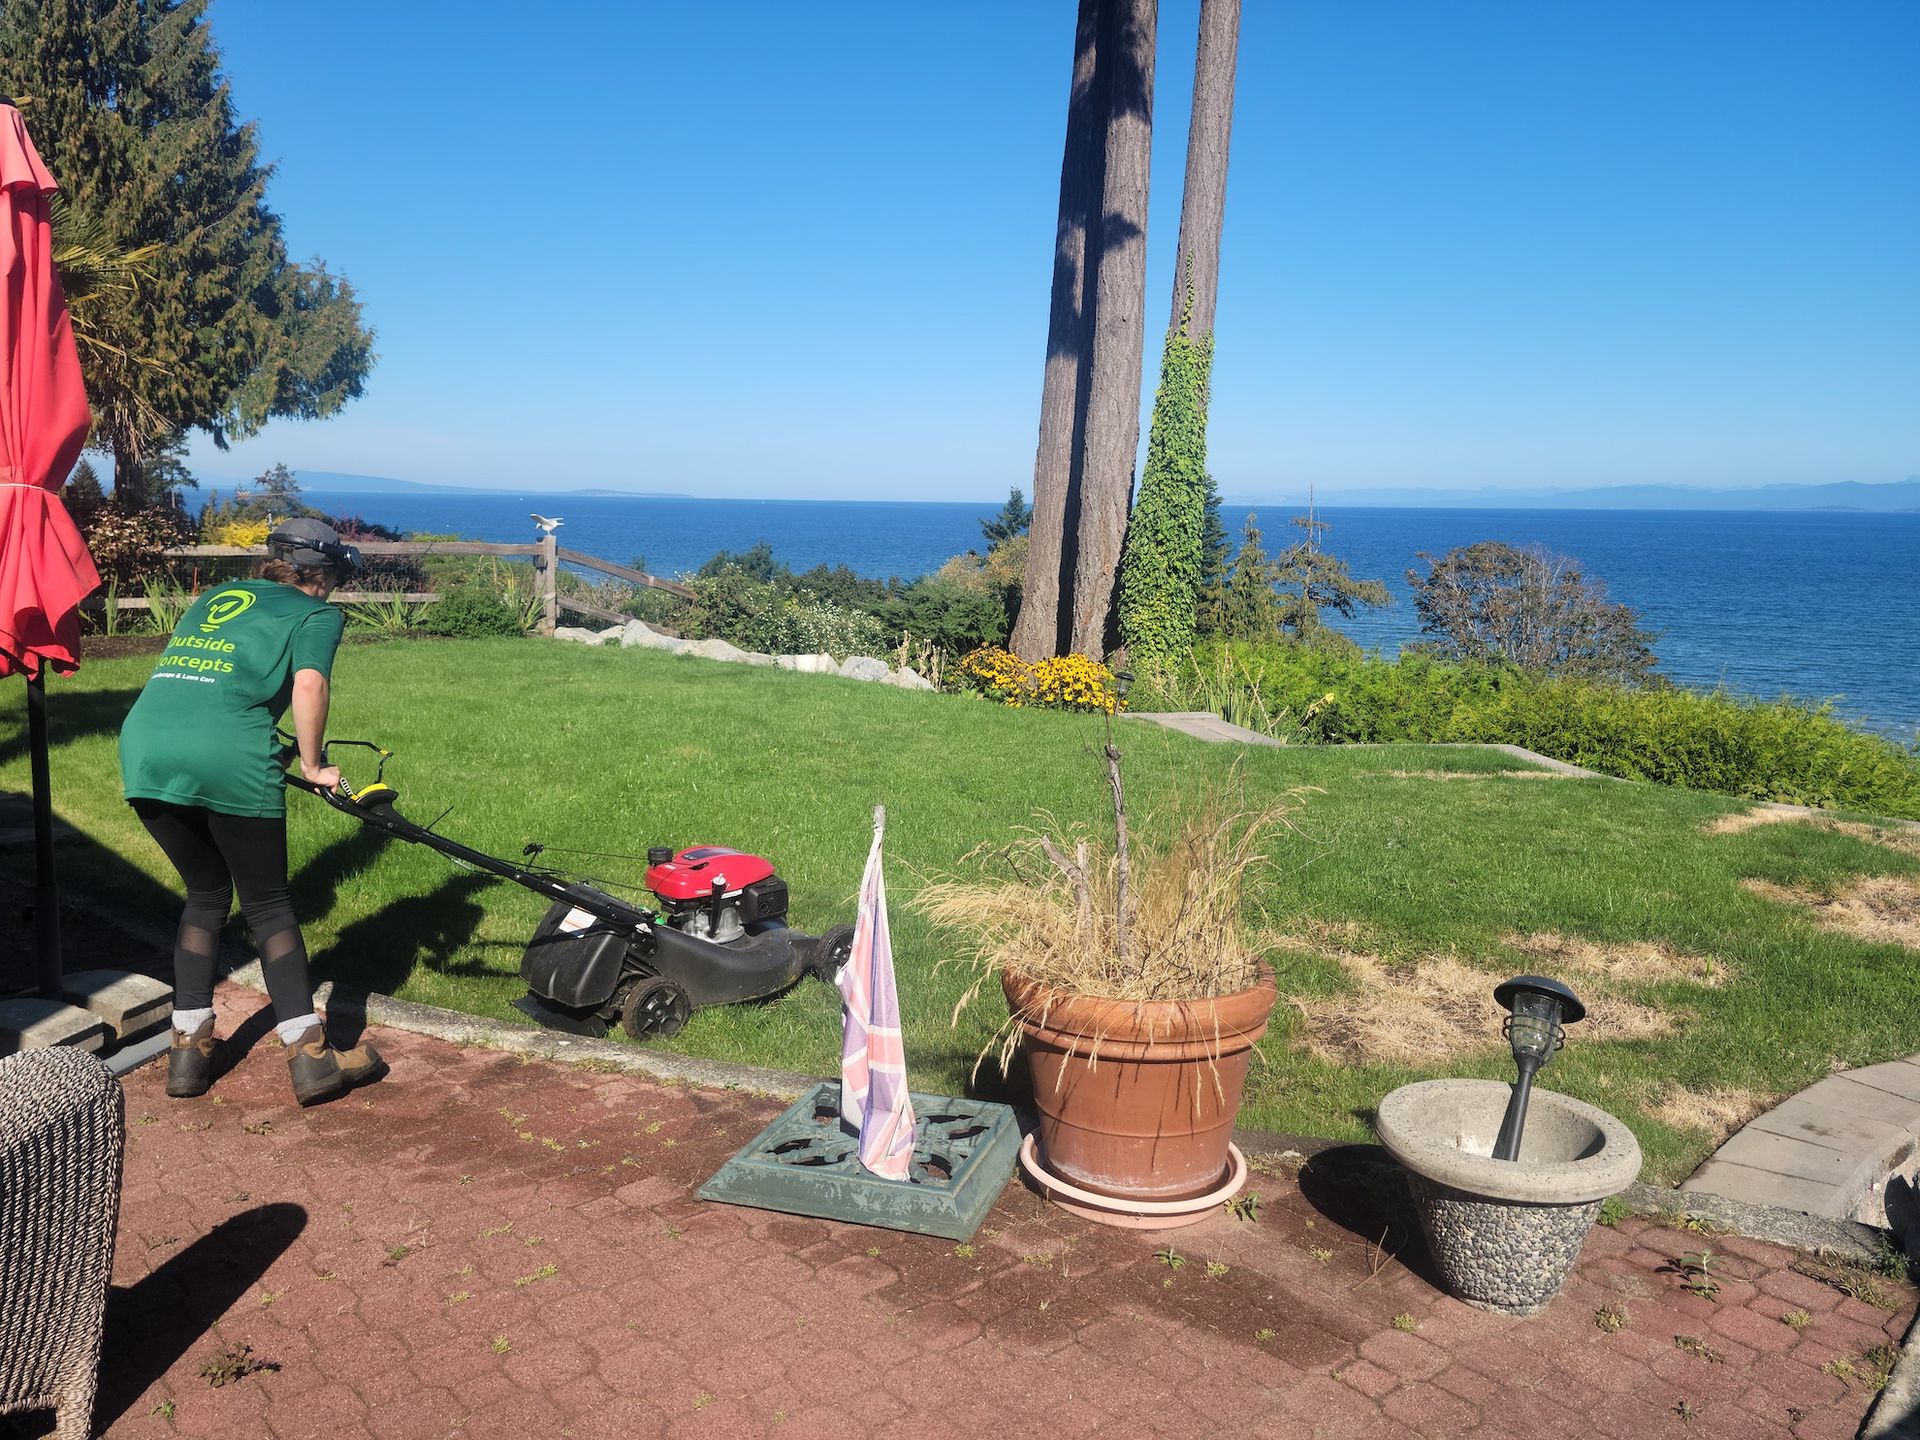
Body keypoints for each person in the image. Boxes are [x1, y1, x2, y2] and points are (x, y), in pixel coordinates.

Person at [119, 518, 387, 1106]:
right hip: (229, 754)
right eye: (335, 580)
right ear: (320, 575)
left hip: (145, 748)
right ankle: (311, 1057)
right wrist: (314, 766)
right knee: (267, 905)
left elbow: (212, 680)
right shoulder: (316, 614)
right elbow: (309, 685)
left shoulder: (219, 597)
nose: (333, 592)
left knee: (206, 896)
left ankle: (187, 1051)